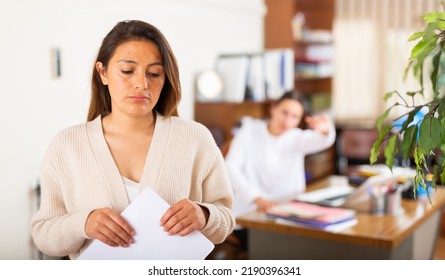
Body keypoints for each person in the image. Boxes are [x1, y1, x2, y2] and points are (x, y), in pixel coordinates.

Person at [30, 20, 234, 260]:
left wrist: (204, 215)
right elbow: (43, 234)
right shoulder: (66, 146)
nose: (142, 84)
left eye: (154, 73)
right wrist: (83, 224)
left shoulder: (194, 138)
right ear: (103, 72)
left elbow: (226, 219)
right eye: (127, 71)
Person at [224, 90, 335, 249]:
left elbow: (324, 140)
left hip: (288, 214)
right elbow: (230, 167)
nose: (287, 121)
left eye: (295, 117)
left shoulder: (296, 138)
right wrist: (257, 198)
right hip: (250, 214)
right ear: (273, 108)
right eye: (284, 112)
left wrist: (325, 129)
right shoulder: (248, 132)